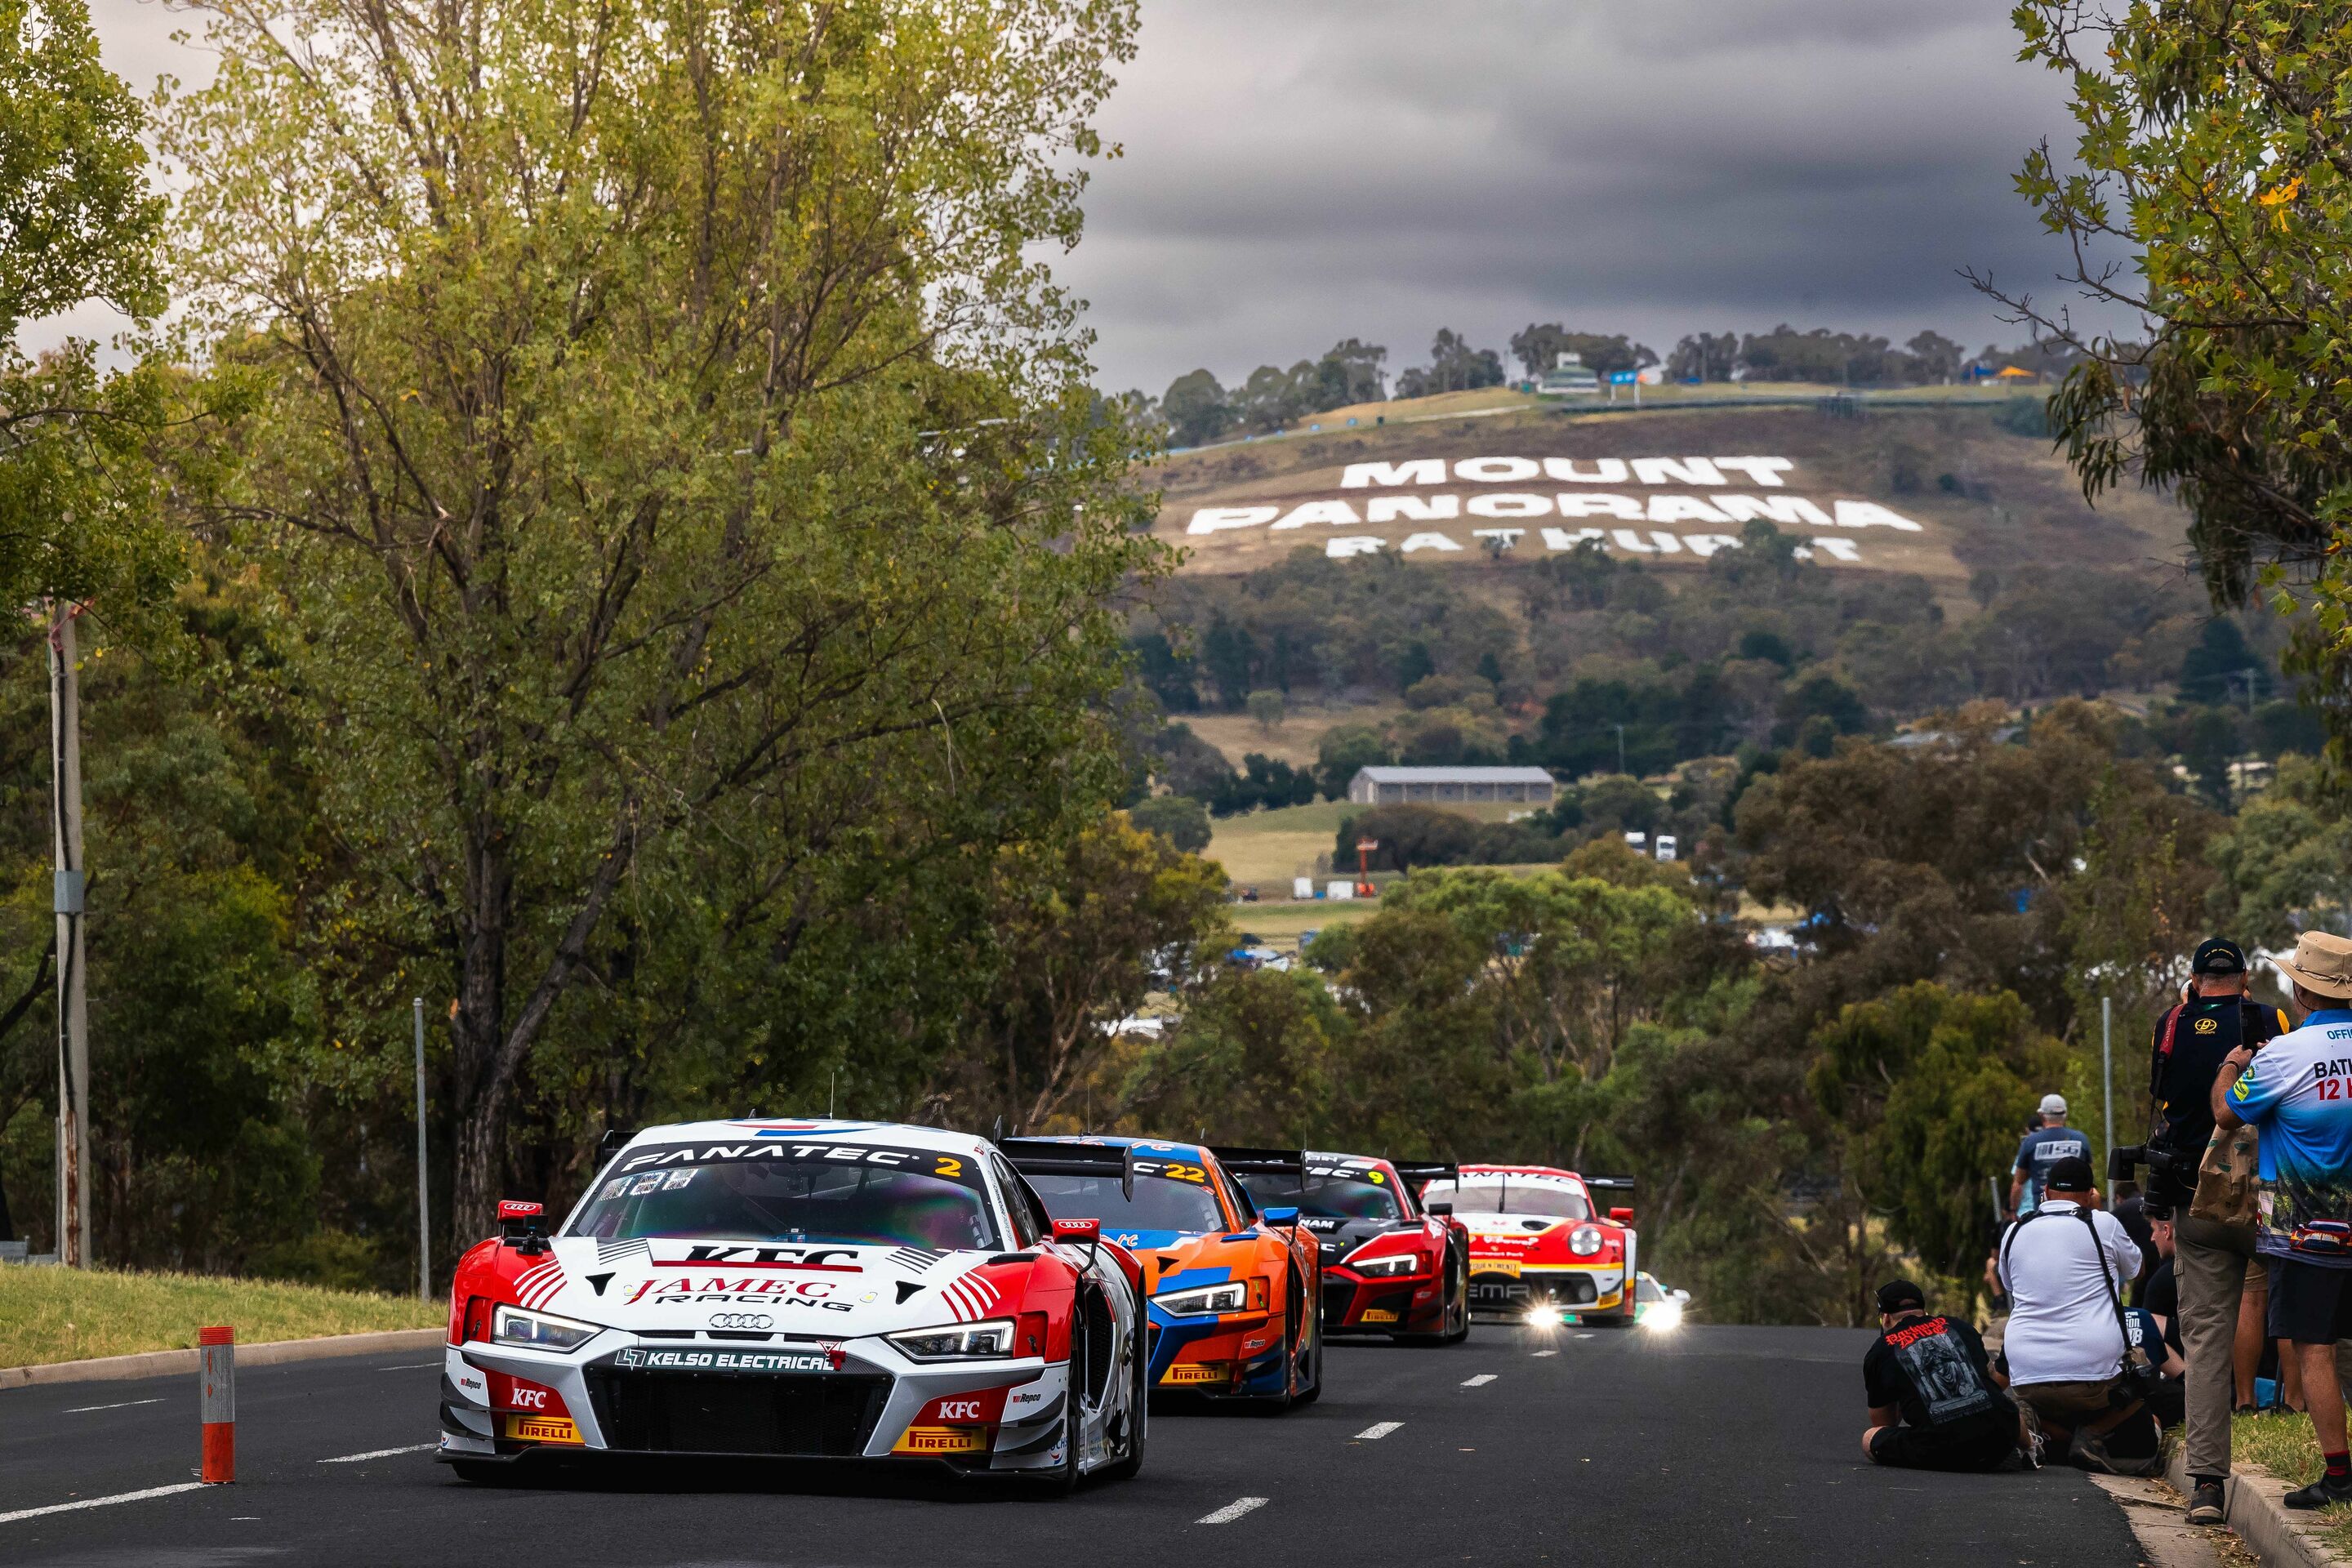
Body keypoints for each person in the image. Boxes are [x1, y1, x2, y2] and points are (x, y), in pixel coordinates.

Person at [2154, 936, 2291, 1524]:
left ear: (2194, 979)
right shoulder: (2270, 1018)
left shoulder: (2170, 1021)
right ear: (2243, 978)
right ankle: (2328, 1457)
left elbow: (2162, 1101)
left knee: (2206, 1339)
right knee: (2302, 1323)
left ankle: (2208, 1485)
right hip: (2265, 1196)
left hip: (2196, 1201)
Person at [2213, 930, 2352, 1508]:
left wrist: (2230, 1064)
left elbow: (2226, 1112)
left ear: (2301, 990)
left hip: (2306, 1232)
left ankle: (2340, 1478)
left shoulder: (2284, 1056)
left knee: (2313, 1347)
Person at [1997, 1156, 2154, 1472]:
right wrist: (2095, 1211)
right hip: (2093, 1377)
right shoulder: (2102, 1223)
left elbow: (2009, 1283)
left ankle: (2030, 1423)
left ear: (2045, 1191)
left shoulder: (2014, 1231)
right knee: (2145, 1374)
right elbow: (2137, 1268)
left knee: (2022, 1395)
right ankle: (2091, 1435)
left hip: (2026, 1372)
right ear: (2090, 1194)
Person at [1861, 1279, 2023, 1471]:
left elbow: (1884, 1423)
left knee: (1870, 1437)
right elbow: (1991, 1378)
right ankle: (2030, 1449)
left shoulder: (1880, 1350)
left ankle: (1965, 1453)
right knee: (2000, 1401)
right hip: (2002, 1435)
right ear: (1924, 1311)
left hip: (1942, 1448)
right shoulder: (1960, 1327)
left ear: (1886, 1318)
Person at [2010, 1095, 2090, 1221]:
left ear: (2041, 1116)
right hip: (2078, 1214)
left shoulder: (2031, 1142)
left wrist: (2013, 1210)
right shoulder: (2081, 1140)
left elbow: (2018, 1184)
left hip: (2042, 1214)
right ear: (2065, 1114)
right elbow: (2089, 1178)